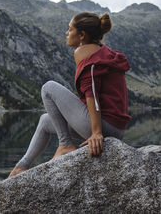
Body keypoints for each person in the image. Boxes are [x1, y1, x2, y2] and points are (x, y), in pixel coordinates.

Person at [8, 12, 131, 178]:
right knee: (45, 121)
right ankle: (20, 168)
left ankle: (65, 144)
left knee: (48, 87)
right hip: (114, 127)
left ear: (82, 35)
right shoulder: (101, 51)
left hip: (103, 126)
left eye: (70, 29)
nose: (66, 33)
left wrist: (96, 133)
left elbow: (92, 93)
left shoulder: (85, 53)